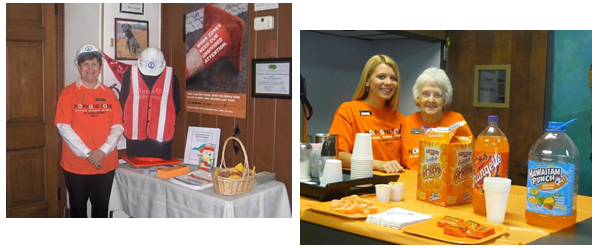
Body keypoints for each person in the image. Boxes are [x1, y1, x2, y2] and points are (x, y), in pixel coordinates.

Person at [55, 44, 124, 218]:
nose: (90, 68)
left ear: (100, 68)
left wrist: (102, 151)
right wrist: (88, 154)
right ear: (78, 67)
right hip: (76, 165)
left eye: (94, 64)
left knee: (101, 211)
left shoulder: (109, 94)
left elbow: (118, 127)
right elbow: (64, 127)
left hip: (105, 163)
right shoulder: (68, 93)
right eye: (85, 64)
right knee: (78, 211)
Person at [329, 54, 405, 173]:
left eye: (393, 78)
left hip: (396, 184)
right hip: (363, 182)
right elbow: (337, 154)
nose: (388, 82)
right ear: (367, 81)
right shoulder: (349, 110)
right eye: (381, 77)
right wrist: (377, 164)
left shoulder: (400, 118)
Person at [401, 67, 473, 171]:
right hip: (411, 183)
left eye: (437, 95)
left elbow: (468, 160)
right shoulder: (407, 122)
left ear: (445, 99)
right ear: (418, 97)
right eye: (425, 94)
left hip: (445, 184)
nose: (431, 100)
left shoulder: (457, 121)